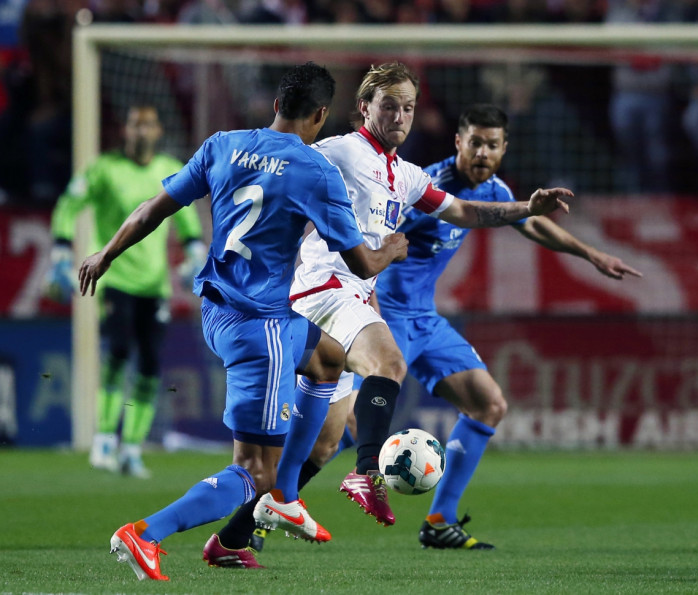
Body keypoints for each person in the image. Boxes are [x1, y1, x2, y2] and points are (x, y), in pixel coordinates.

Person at [228, 102, 644, 556]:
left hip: (426, 320)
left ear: (504, 150)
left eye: (493, 145)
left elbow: (531, 223)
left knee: (489, 405)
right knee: (331, 438)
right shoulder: (422, 186)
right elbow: (368, 234)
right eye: (475, 142)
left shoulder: (495, 189)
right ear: (458, 142)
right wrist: (363, 299)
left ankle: (440, 520)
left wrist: (592, 255)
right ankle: (255, 520)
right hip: (380, 314)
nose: (483, 153)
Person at [78, 62, 408, 581]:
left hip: (216, 310)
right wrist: (390, 247)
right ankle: (146, 533)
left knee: (327, 360)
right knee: (254, 469)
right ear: (321, 115)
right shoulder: (315, 170)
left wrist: (106, 254)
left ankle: (286, 498)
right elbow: (362, 265)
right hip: (261, 327)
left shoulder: (222, 144)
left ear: (277, 103)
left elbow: (153, 209)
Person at [46, 104, 206, 478]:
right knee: (119, 353)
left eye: (147, 125)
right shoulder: (103, 170)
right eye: (134, 125)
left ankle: (131, 447)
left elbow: (186, 220)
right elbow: (69, 206)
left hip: (155, 284)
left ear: (158, 131)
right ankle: (103, 438)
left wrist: (195, 254)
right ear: (125, 131)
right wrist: (60, 251)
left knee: (150, 365)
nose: (140, 132)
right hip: (116, 279)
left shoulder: (169, 169)